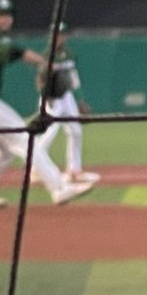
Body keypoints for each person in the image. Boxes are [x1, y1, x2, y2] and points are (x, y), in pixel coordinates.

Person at [0, 0, 96, 208]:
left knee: (5, 149)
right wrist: (46, 64)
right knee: (25, 138)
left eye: (8, 15)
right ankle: (59, 188)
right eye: (0, 15)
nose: (5, 19)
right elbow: (16, 52)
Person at [38, 22, 100, 188]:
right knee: (49, 132)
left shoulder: (69, 54)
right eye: (56, 34)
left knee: (75, 130)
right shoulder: (47, 54)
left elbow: (74, 79)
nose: (59, 37)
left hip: (67, 96)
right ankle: (35, 168)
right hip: (52, 97)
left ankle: (74, 171)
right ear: (50, 36)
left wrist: (80, 100)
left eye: (62, 34)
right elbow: (39, 79)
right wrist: (46, 98)